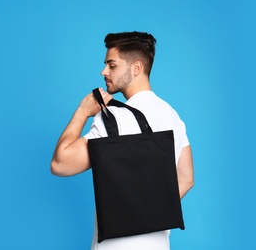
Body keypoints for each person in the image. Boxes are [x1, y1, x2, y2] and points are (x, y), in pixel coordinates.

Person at [51, 31, 194, 250]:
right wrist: (148, 212)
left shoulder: (113, 117)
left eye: (112, 65)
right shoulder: (172, 114)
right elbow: (186, 178)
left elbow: (60, 164)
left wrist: (82, 111)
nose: (103, 71)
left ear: (136, 68)